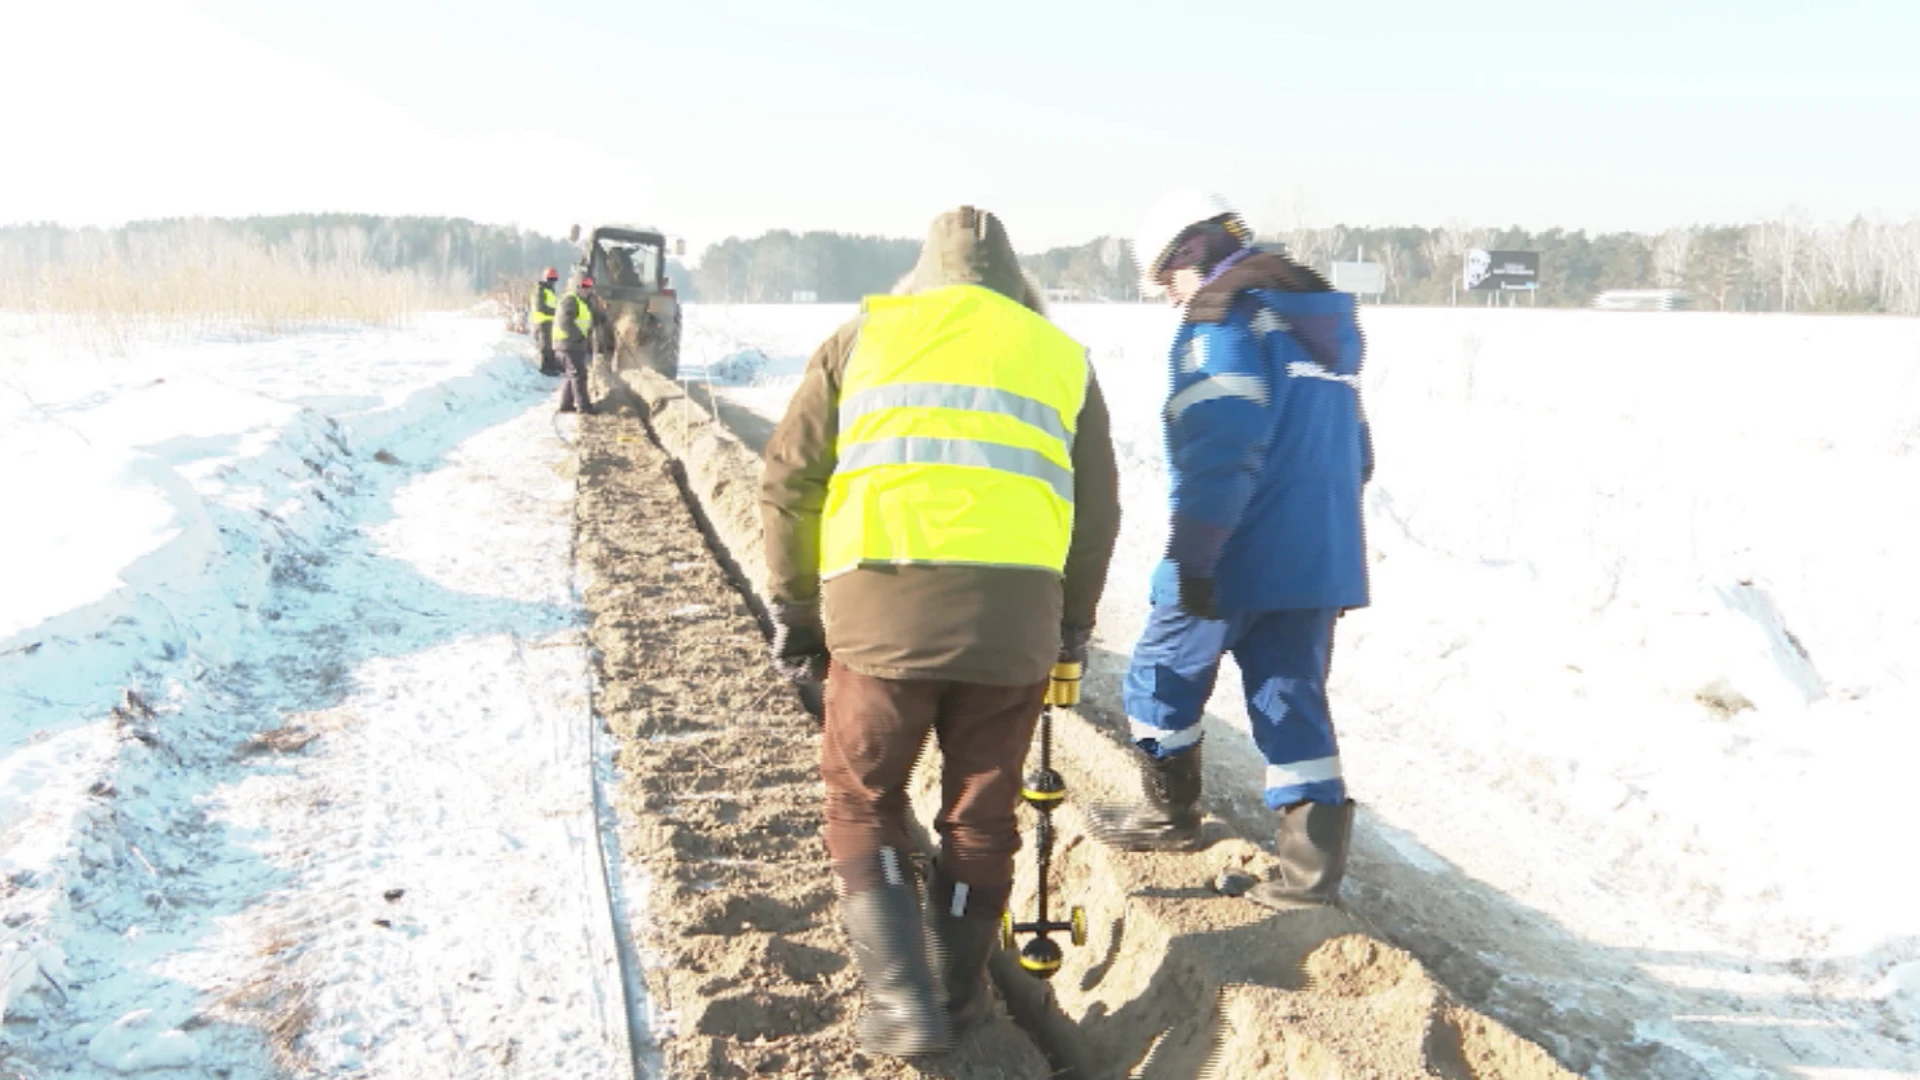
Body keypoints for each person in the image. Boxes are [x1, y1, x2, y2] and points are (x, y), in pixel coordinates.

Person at [759, 206, 1120, 1057]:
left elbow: (788, 480)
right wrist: (1071, 627)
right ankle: (957, 1001)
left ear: (920, 276)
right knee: (981, 821)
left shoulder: (864, 339)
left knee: (863, 799)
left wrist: (797, 610)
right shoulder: (1060, 357)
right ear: (1016, 283)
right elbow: (1097, 508)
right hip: (1013, 630)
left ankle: (898, 999)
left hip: (881, 613)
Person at [1085, 189, 1372, 913]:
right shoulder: (1317, 333)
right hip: (1320, 557)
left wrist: (1195, 557)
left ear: (1190, 255)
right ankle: (1308, 881)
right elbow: (1360, 456)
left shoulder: (1221, 324)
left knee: (1157, 677)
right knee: (1290, 699)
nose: (1167, 299)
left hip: (1237, 552)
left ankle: (1166, 814)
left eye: (1166, 279)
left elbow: (1221, 445)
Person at [553, 273, 599, 415]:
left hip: (573, 344)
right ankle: (583, 406)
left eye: (589, 287)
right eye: (584, 287)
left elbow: (587, 319)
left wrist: (600, 317)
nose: (587, 290)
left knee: (571, 374)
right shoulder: (570, 300)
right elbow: (565, 323)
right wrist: (578, 337)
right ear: (577, 286)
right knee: (579, 374)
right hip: (568, 344)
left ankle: (566, 404)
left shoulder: (582, 302)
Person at [529, 267, 560, 375]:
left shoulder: (549, 291)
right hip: (542, 322)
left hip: (550, 322)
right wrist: (556, 311)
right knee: (545, 346)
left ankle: (552, 367)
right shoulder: (540, 290)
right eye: (550, 279)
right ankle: (546, 368)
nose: (552, 282)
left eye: (554, 279)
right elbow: (541, 307)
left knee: (550, 345)